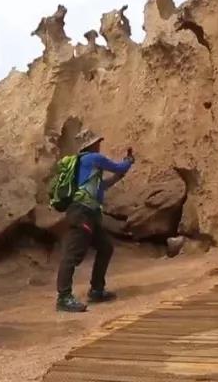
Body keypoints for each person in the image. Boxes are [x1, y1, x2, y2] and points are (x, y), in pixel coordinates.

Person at [56, 129, 135, 313]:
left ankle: (97, 290)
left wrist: (119, 175)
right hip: (82, 212)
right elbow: (119, 167)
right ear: (91, 145)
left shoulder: (85, 165)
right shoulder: (92, 159)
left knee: (105, 247)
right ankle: (64, 297)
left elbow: (102, 187)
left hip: (88, 213)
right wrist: (128, 162)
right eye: (97, 142)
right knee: (72, 254)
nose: (100, 144)